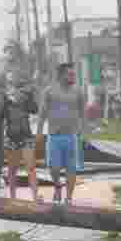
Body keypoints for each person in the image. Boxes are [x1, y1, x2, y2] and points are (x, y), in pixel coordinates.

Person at [37, 62, 85, 206]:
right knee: (54, 167)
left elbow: (83, 113)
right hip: (54, 137)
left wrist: (84, 131)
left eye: (73, 74)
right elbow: (42, 114)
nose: (73, 76)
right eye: (70, 74)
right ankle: (57, 186)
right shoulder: (49, 91)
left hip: (71, 136)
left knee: (72, 168)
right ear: (61, 75)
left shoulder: (78, 91)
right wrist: (39, 132)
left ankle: (69, 198)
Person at [2, 73, 41, 202]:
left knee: (29, 167)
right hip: (13, 136)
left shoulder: (25, 98)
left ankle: (34, 196)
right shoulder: (6, 98)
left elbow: (34, 109)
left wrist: (30, 96)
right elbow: (1, 117)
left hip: (24, 136)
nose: (19, 92)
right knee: (14, 169)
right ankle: (13, 196)